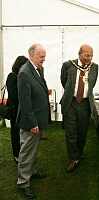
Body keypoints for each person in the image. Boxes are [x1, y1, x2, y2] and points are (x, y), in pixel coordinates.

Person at [16, 43, 51, 199]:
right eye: (41, 56)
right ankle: (23, 182)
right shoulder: (24, 73)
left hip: (38, 118)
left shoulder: (38, 68)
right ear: (32, 55)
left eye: (44, 56)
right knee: (26, 152)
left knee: (34, 149)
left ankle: (32, 171)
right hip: (30, 121)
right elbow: (25, 102)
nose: (44, 59)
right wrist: (32, 123)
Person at [60, 44, 99, 173]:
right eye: (87, 55)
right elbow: (63, 81)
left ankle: (79, 150)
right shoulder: (68, 65)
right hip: (71, 102)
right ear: (79, 54)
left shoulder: (94, 68)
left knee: (82, 130)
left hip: (85, 103)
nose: (89, 58)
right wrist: (72, 92)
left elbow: (93, 83)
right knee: (71, 131)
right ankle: (74, 158)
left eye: (91, 55)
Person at [6, 56, 28, 164]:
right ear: (19, 65)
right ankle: (16, 154)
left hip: (20, 108)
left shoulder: (20, 75)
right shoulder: (12, 76)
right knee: (15, 132)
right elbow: (13, 94)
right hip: (14, 109)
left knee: (21, 132)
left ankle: (21, 153)